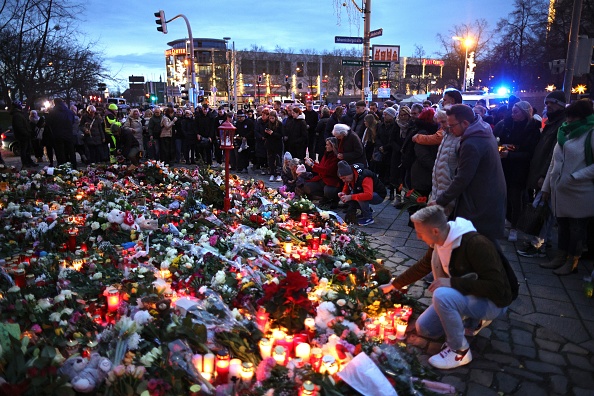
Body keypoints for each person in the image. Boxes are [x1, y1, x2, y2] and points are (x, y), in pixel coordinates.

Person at [378, 205, 513, 369]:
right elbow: (423, 266)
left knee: (442, 295)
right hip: (467, 292)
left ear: (435, 231)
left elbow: (498, 288)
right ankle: (465, 318)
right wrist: (393, 285)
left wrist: (451, 283)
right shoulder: (439, 242)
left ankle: (459, 351)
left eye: (420, 232)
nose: (418, 237)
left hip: (493, 302)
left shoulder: (476, 244)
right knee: (425, 329)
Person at [433, 104, 506, 246]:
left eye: (452, 125)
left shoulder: (471, 143)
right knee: (484, 244)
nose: (450, 129)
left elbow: (462, 178)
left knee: (480, 244)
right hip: (487, 196)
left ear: (465, 123)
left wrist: (440, 200)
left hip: (480, 201)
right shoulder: (482, 131)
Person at [540, 99, 594, 275]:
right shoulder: (564, 132)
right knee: (562, 226)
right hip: (559, 190)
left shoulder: (591, 133)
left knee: (577, 229)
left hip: (580, 191)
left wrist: (574, 177)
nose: (568, 121)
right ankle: (560, 257)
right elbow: (554, 162)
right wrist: (546, 187)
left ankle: (572, 262)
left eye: (572, 118)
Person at [519, 91, 567, 258]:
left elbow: (553, 155)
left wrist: (543, 176)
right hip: (542, 172)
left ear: (560, 105)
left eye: (552, 104)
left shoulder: (561, 124)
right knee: (543, 209)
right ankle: (543, 242)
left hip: (548, 175)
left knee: (543, 210)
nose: (548, 107)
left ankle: (539, 245)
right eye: (547, 104)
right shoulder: (553, 122)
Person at [493, 101, 541, 242]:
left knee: (516, 198)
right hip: (504, 165)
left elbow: (530, 153)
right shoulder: (506, 124)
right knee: (503, 196)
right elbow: (498, 140)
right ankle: (505, 221)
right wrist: (501, 148)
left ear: (525, 113)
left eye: (516, 112)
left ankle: (515, 227)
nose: (513, 114)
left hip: (519, 169)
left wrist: (512, 154)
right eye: (512, 111)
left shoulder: (532, 129)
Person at [337, 160, 386, 226]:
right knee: (350, 197)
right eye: (342, 179)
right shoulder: (351, 176)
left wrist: (350, 197)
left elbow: (368, 195)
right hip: (367, 193)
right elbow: (347, 186)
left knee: (360, 197)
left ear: (349, 173)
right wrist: (343, 193)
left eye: (344, 178)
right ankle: (366, 210)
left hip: (379, 195)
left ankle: (368, 218)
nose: (343, 180)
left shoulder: (365, 176)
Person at [303, 137, 342, 208]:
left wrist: (312, 165)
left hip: (332, 182)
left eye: (327, 145)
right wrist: (313, 163)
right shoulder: (326, 154)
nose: (326, 146)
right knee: (308, 186)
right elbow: (322, 167)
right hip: (322, 179)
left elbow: (328, 171)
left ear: (332, 146)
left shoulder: (336, 157)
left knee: (328, 191)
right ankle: (324, 198)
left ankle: (332, 199)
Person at [46, 98, 77, 168]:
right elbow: (72, 121)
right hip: (68, 134)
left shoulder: (52, 112)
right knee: (71, 151)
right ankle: (73, 165)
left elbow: (49, 123)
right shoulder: (69, 112)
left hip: (57, 135)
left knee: (60, 152)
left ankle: (62, 167)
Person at [10, 101, 37, 168]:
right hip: (23, 136)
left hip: (25, 135)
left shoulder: (19, 114)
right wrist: (26, 133)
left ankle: (29, 161)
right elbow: (19, 127)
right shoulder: (17, 115)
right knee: (24, 150)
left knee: (27, 149)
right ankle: (25, 163)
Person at [263, 110, 284, 182]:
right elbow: (265, 136)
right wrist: (266, 132)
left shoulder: (280, 124)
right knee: (270, 160)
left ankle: (278, 174)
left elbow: (281, 135)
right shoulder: (267, 124)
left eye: (273, 118)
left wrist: (272, 133)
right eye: (270, 118)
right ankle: (272, 173)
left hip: (277, 144)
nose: (271, 120)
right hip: (270, 144)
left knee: (278, 159)